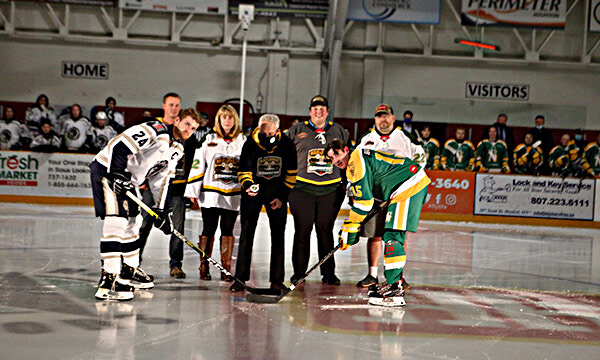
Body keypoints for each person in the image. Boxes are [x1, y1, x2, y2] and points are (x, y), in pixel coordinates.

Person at [89, 108, 200, 301]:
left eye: (194, 128)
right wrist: (117, 173)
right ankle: (110, 278)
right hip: (107, 171)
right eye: (187, 124)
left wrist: (161, 211)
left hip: (126, 180)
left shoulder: (178, 149)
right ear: (177, 121)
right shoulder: (155, 130)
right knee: (117, 222)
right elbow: (120, 145)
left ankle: (129, 270)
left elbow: (161, 179)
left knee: (134, 221)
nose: (189, 130)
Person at [325, 138, 430, 307]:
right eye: (331, 158)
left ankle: (395, 289)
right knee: (391, 235)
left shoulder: (356, 161)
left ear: (346, 149)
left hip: (408, 185)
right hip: (401, 188)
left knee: (393, 236)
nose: (335, 161)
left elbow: (364, 203)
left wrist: (350, 227)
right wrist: (352, 227)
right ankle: (394, 283)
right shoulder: (355, 162)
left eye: (336, 154)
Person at [353, 104, 425, 288]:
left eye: (386, 116)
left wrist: (404, 179)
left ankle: (398, 274)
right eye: (379, 116)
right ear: (375, 119)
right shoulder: (366, 139)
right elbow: (357, 165)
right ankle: (372, 274)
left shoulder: (405, 137)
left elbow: (421, 158)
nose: (383, 119)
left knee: (397, 236)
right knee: (375, 235)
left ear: (393, 118)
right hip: (375, 197)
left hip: (399, 196)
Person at [229, 114, 297, 292]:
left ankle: (276, 280)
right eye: (263, 133)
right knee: (246, 234)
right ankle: (240, 278)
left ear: (278, 130)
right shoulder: (250, 143)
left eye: (270, 134)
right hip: (253, 195)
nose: (266, 137)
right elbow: (243, 171)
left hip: (277, 194)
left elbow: (291, 174)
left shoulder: (287, 144)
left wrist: (282, 197)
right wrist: (249, 186)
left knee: (278, 236)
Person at [285, 95, 348, 286]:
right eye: (315, 107)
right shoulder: (296, 130)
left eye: (322, 108)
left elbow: (347, 156)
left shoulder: (338, 130)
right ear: (310, 111)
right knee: (302, 231)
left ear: (327, 111)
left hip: (330, 190)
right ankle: (299, 273)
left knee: (325, 231)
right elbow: (285, 155)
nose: (318, 111)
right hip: (302, 189)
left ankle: (328, 273)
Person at [185, 104, 246, 281]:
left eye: (230, 117)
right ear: (218, 120)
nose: (227, 120)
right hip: (210, 195)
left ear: (235, 120)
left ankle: (225, 269)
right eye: (223, 117)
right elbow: (198, 164)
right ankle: (204, 268)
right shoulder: (208, 139)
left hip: (233, 195)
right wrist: (193, 190)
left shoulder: (242, 141)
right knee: (208, 229)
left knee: (227, 230)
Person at [136, 93, 191, 278]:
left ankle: (176, 264)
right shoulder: (156, 128)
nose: (174, 108)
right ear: (164, 106)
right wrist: (142, 179)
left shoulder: (186, 130)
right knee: (144, 224)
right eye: (171, 105)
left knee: (177, 227)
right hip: (153, 188)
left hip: (177, 187)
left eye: (177, 105)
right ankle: (134, 261)